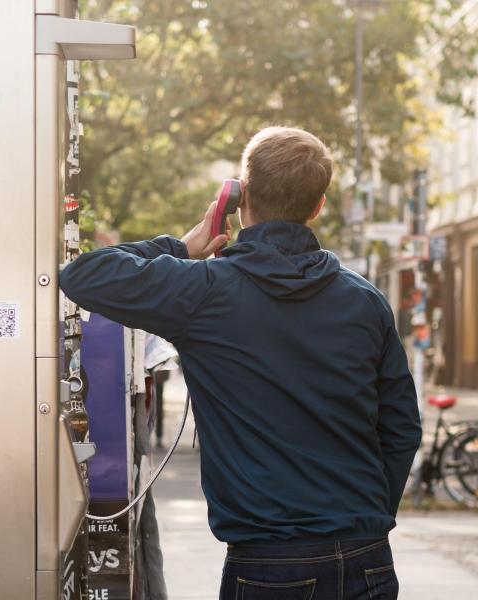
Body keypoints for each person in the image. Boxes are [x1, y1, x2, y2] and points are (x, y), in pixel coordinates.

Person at [60, 126, 420, 599]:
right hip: (366, 557)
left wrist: (183, 246)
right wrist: (366, 514)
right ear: (318, 206)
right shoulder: (365, 301)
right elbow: (402, 427)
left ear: (237, 197)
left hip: (269, 562)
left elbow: (83, 276)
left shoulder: (203, 291)